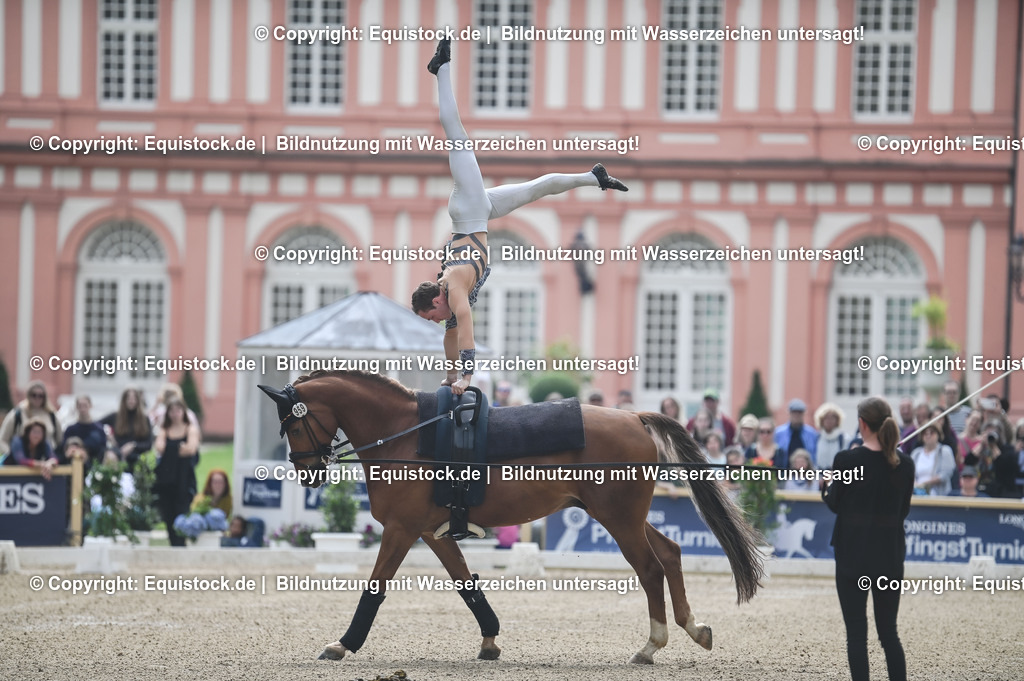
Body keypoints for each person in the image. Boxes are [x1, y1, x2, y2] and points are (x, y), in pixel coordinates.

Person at [410, 39, 627, 396]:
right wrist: (450, 376)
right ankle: (594, 177)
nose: (436, 321)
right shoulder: (449, 295)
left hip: (468, 210)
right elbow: (451, 336)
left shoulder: (456, 286)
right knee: (536, 189)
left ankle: (441, 69)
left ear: (435, 301)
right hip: (479, 214)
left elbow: (464, 329)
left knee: (456, 135)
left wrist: (465, 377)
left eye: (430, 316)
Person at [823, 396, 913, 681]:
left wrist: (826, 486)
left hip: (853, 557)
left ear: (862, 424)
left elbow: (834, 502)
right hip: (889, 556)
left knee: (856, 636)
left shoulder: (847, 460)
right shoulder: (905, 465)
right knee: (889, 634)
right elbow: (903, 511)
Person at [153, 398, 201, 547]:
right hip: (166, 479)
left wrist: (171, 449)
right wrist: (179, 448)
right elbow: (159, 447)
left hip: (183, 477)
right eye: (172, 411)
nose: (175, 414)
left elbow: (191, 449)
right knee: (167, 511)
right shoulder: (164, 429)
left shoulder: (190, 428)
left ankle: (181, 543)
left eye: (178, 410)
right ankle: (173, 543)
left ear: (183, 411)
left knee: (182, 510)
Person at [0, 380, 62, 457]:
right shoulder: (17, 414)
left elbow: (60, 441)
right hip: (21, 463)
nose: (37, 398)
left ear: (45, 397)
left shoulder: (51, 415)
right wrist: (12, 456)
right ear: (28, 395)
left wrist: (54, 458)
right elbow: (2, 440)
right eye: (34, 395)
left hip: (46, 463)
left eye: (40, 396)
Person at [100, 387, 153, 473]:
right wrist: (108, 435)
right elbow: (97, 424)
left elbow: (149, 444)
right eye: (128, 398)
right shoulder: (116, 416)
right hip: (118, 455)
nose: (131, 401)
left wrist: (133, 445)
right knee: (110, 456)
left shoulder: (144, 419)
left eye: (134, 398)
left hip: (137, 457)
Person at [61, 395, 109, 469]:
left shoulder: (99, 429)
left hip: (94, 468)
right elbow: (64, 450)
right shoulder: (70, 430)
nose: (82, 409)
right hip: (74, 468)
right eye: (80, 406)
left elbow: (103, 450)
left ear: (90, 406)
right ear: (76, 407)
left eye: (85, 405)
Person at [909, 424, 956, 496]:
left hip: (938, 495)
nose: (928, 436)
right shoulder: (916, 453)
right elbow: (910, 473)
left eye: (932, 433)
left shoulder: (945, 451)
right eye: (925, 433)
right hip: (917, 493)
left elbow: (945, 474)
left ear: (938, 434)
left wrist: (924, 484)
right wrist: (915, 485)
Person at [774, 399, 819, 465]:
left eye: (799, 412)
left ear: (803, 414)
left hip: (806, 472)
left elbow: (815, 455)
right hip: (784, 471)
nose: (796, 415)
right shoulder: (778, 433)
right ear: (789, 413)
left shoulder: (811, 433)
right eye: (794, 412)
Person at [814, 402, 846, 470]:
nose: (829, 421)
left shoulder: (844, 438)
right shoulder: (816, 438)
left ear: (837, 420)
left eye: (832, 418)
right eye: (826, 418)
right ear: (821, 420)